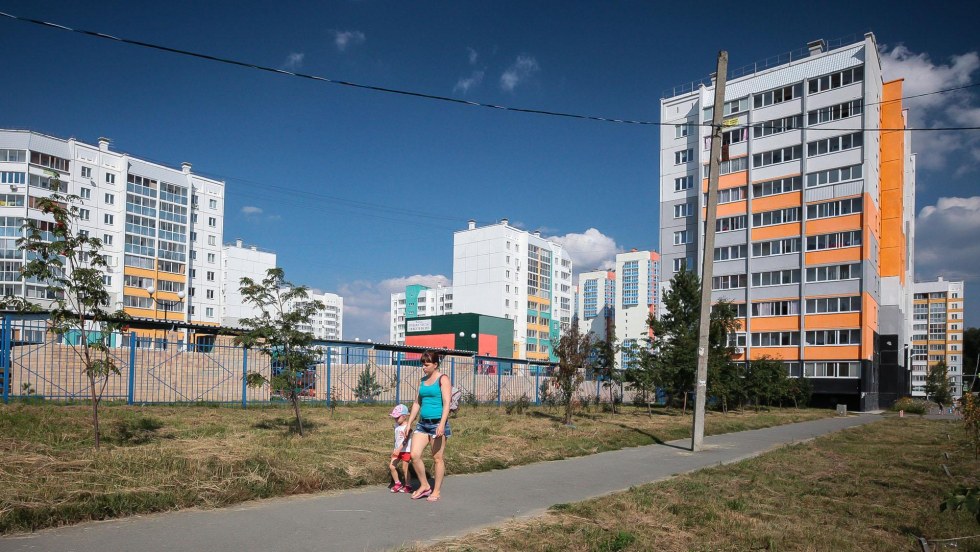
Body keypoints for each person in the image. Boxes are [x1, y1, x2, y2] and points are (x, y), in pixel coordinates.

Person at [403, 350, 452, 502]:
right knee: (414, 455)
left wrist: (442, 424)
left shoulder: (443, 379)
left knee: (437, 458)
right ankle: (424, 485)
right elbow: (417, 403)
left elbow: (447, 403)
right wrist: (409, 423)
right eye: (423, 364)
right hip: (422, 424)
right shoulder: (423, 381)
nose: (424, 367)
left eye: (427, 364)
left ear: (435, 365)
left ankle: (436, 491)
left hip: (437, 423)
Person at [388, 404, 413, 494]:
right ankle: (398, 483)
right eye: (394, 417)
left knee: (404, 468)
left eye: (397, 417)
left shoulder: (407, 427)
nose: (395, 419)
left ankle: (408, 485)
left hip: (405, 451)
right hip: (397, 450)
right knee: (392, 466)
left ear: (404, 416)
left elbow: (405, 441)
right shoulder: (396, 425)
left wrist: (399, 449)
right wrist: (395, 449)